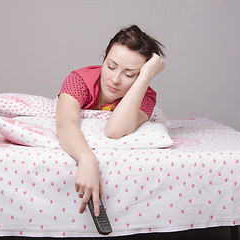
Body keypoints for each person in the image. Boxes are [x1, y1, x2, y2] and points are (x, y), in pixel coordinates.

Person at [55, 25, 165, 218]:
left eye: (130, 74)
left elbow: (114, 131)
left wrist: (145, 76)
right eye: (111, 66)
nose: (115, 79)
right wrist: (87, 158)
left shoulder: (146, 96)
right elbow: (65, 123)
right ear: (104, 59)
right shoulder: (79, 80)